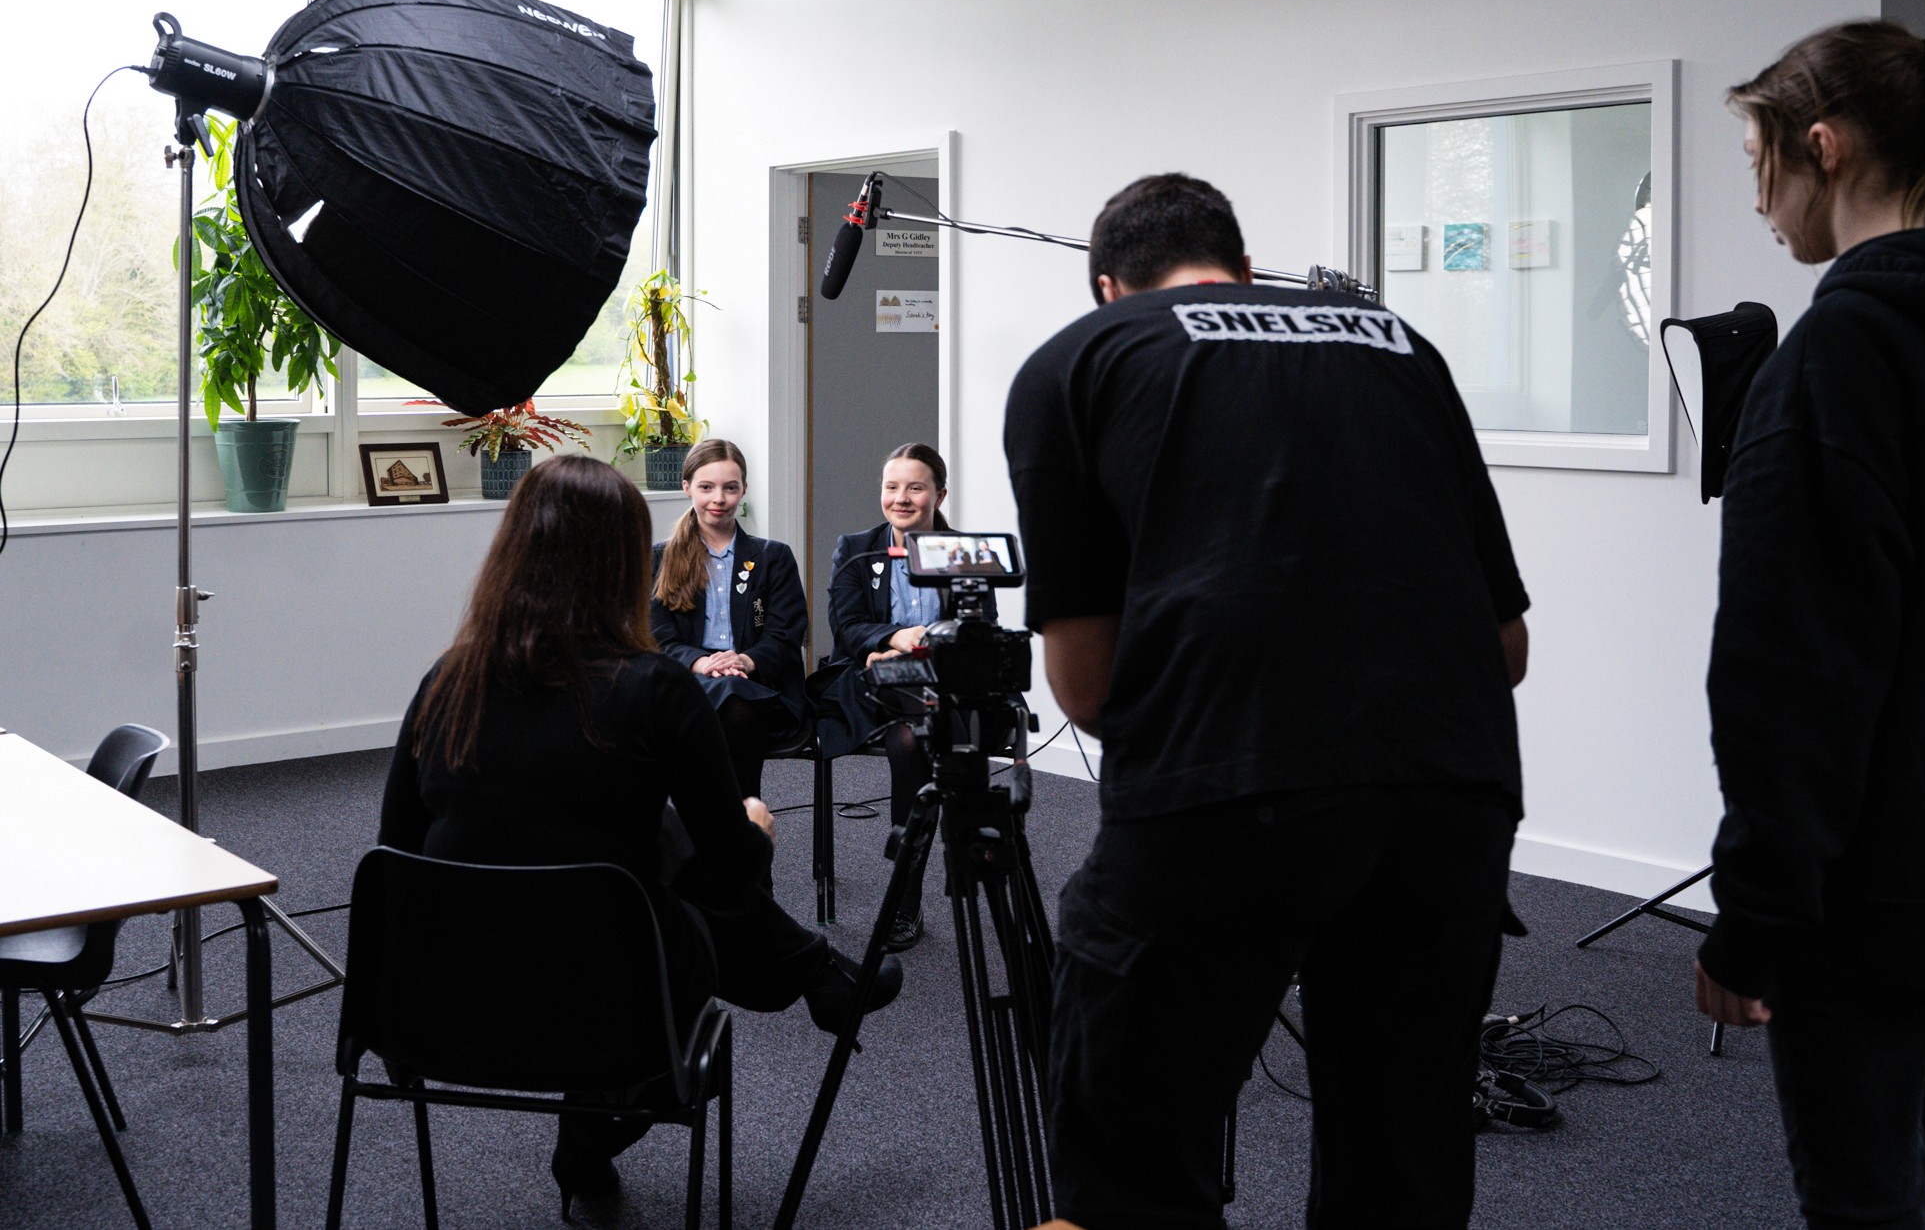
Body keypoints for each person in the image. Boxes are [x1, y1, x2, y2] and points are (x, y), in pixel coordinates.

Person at [1005, 173, 1530, 1229]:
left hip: (1225, 785)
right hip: (1449, 783)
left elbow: (1089, 688)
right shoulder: (1396, 344)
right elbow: (1505, 646)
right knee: (1404, 1155)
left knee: (1132, 1150)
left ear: (1109, 286)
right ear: (1244, 270)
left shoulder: (1078, 360)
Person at [1695, 18, 1925, 1229]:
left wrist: (1749, 924)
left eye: (1757, 167)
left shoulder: (1834, 360)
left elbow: (1789, 683)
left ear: (1824, 148)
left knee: (1862, 1202)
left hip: (1870, 908)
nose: (1756, 205)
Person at [379, 455, 900, 1216]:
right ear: (625, 563)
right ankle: (804, 976)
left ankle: (817, 973)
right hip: (615, 1004)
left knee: (643, 837)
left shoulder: (447, 679)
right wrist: (754, 829)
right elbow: (728, 872)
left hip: (450, 1001)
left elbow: (397, 852)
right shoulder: (653, 689)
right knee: (670, 866)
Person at [812, 442, 1011, 952]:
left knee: (911, 741)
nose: (901, 498)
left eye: (915, 487)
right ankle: (922, 885)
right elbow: (847, 625)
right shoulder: (856, 547)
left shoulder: (964, 549)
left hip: (943, 683)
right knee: (921, 726)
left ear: (939, 494)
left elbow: (981, 624)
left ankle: (905, 898)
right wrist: (891, 640)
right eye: (892, 486)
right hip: (871, 684)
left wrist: (934, 642)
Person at [649, 439, 807, 802]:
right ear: (686, 486)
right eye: (706, 487)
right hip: (692, 682)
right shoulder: (660, 558)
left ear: (744, 490)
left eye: (730, 488)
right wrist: (703, 663)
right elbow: (656, 637)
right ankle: (739, 827)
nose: (718, 498)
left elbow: (786, 634)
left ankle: (721, 829)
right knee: (721, 703)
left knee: (733, 700)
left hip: (759, 688)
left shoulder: (773, 557)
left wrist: (743, 661)